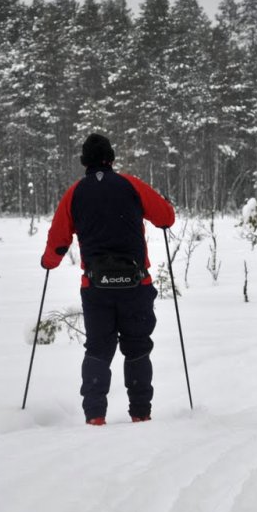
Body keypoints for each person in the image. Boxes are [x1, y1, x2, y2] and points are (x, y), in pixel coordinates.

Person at [41, 133, 176, 425]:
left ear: (84, 162)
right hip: (136, 285)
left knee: (98, 348)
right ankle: (141, 413)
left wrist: (48, 262)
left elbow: (58, 241)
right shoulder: (130, 184)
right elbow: (166, 218)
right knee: (137, 347)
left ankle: (95, 416)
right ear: (111, 159)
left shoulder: (75, 193)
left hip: (96, 287)